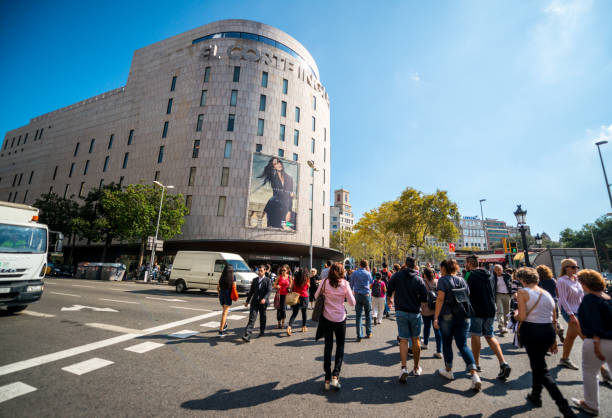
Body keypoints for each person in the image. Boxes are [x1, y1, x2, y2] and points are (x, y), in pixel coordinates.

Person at [515, 267, 575, 418]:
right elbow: (554, 319)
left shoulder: (522, 293)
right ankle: (536, 395)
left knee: (541, 369)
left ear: (522, 280)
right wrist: (553, 339)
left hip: (532, 330)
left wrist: (515, 314)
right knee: (538, 364)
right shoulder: (546, 293)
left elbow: (521, 317)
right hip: (548, 330)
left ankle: (564, 406)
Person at [433, 258, 482, 391]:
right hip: (463, 316)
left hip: (447, 314)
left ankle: (448, 370)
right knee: (463, 345)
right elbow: (468, 295)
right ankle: (474, 374)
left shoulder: (443, 280)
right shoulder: (462, 280)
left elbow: (440, 299)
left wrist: (436, 317)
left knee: (447, 342)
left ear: (444, 268)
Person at [571, 269, 612, 415]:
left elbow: (595, 323)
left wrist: (596, 345)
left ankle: (591, 404)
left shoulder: (589, 299)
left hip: (597, 341)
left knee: (590, 372)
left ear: (585, 284)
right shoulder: (607, 297)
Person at [465, 255, 511, 380]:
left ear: (469, 263)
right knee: (490, 335)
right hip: (490, 308)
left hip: (477, 309)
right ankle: (503, 363)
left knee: (475, 335)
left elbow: (465, 292)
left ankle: (476, 364)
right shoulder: (490, 274)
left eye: (466, 263)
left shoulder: (469, 275)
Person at [315, 262, 356, 391]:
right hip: (340, 319)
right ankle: (335, 376)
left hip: (327, 318)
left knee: (328, 346)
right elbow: (352, 302)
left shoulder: (324, 282)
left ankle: (327, 377)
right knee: (340, 347)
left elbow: (316, 296)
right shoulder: (344, 284)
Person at [387, 256, 428, 381]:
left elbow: (389, 290)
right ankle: (416, 368)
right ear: (415, 265)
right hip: (414, 312)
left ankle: (403, 367)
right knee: (416, 339)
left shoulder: (397, 276)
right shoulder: (419, 279)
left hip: (400, 311)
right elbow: (424, 298)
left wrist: (390, 299)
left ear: (405, 264)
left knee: (403, 340)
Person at [557, 258, 584, 370]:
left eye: (576, 267)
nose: (575, 269)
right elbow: (562, 299)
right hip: (569, 311)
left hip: (579, 311)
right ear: (566, 268)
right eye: (573, 267)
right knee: (586, 338)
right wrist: (571, 315)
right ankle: (603, 370)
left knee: (570, 336)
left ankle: (564, 359)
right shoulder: (562, 280)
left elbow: (581, 297)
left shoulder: (577, 279)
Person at [258, 157, 294, 229]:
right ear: (274, 167)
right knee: (273, 227)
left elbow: (290, 196)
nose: (279, 164)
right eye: (275, 164)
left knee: (291, 225)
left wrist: (289, 211)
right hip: (274, 207)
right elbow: (280, 195)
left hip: (284, 208)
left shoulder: (289, 178)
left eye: (279, 162)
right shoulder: (273, 178)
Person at [242, 265, 273, 342]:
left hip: (263, 303)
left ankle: (262, 331)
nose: (259, 272)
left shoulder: (268, 280)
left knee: (262, 317)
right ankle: (247, 335)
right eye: (259, 271)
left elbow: (269, 291)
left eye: (261, 271)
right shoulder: (255, 280)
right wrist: (247, 301)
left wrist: (265, 299)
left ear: (265, 271)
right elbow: (251, 291)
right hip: (254, 302)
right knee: (252, 318)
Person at [536, 265, 565, 343]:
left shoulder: (537, 282)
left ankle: (550, 337)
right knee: (555, 319)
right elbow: (557, 292)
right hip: (553, 301)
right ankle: (559, 328)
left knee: (546, 319)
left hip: (543, 302)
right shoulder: (552, 280)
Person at [349, 259, 374, 341]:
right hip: (366, 295)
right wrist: (369, 271)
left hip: (357, 295)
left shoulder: (354, 273)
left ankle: (359, 335)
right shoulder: (367, 273)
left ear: (360, 264)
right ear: (366, 265)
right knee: (368, 314)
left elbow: (351, 284)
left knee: (358, 316)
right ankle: (369, 332)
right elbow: (371, 282)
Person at [421, 267, 442, 358]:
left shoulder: (422, 282)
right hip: (436, 308)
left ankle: (425, 343)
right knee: (437, 330)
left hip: (426, 308)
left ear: (425, 274)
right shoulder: (437, 282)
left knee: (426, 327)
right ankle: (439, 350)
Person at [287, 268, 310, 335]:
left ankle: (289, 326)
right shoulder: (306, 279)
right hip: (304, 296)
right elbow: (308, 286)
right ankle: (303, 327)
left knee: (294, 313)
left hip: (296, 297)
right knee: (304, 312)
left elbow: (291, 288)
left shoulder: (295, 279)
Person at [493, 264, 513, 335]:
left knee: (507, 310)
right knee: (500, 310)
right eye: (496, 270)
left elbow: (511, 284)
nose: (498, 271)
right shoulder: (493, 278)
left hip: (507, 295)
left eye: (499, 269)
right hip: (498, 294)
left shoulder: (507, 276)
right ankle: (501, 326)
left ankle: (506, 324)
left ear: (502, 269)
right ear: (494, 271)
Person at [217, 265, 235, 337]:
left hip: (221, 295)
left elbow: (217, 287)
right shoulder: (233, 277)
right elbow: (234, 287)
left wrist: (219, 293)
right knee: (224, 313)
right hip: (228, 295)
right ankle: (221, 330)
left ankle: (224, 325)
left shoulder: (222, 276)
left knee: (224, 312)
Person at [274, 265, 292, 329]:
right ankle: (278, 323)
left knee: (283, 309)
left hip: (285, 296)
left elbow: (291, 285)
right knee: (279, 309)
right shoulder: (279, 277)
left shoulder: (289, 277)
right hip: (279, 295)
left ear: (287, 271)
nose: (283, 271)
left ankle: (283, 324)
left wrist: (289, 288)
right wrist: (277, 286)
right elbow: (274, 285)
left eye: (284, 270)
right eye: (282, 270)